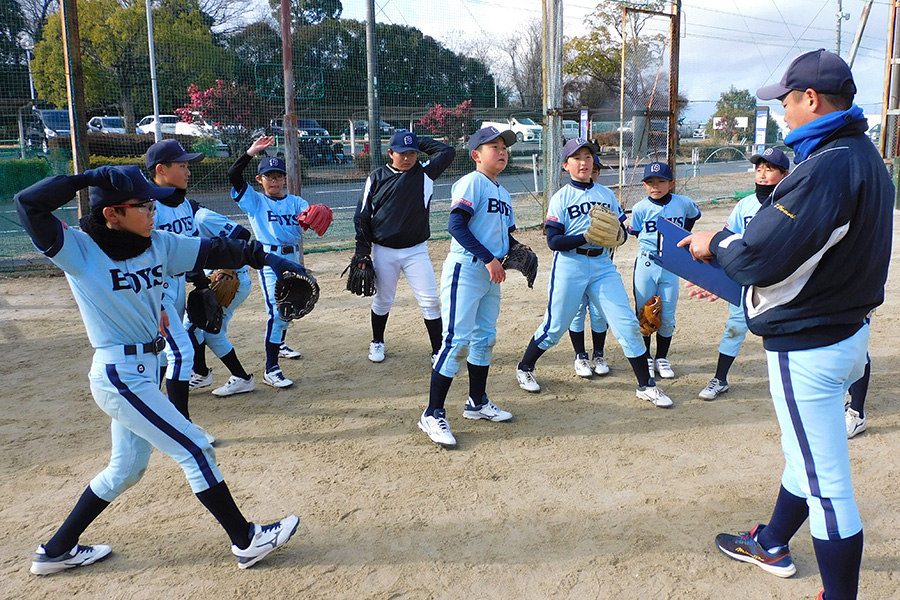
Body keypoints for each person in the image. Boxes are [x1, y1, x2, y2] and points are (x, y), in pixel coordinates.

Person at [679, 49, 893, 600]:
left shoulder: (828, 163)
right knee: (809, 452)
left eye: (787, 100)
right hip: (843, 333)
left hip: (811, 345)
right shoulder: (865, 155)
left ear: (812, 100)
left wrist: (718, 244)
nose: (783, 111)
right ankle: (772, 540)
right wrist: (734, 273)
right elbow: (805, 257)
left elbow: (757, 256)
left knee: (828, 486)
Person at [16, 165, 303, 575]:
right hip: (119, 373)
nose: (153, 211)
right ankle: (246, 540)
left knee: (125, 469)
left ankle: (56, 550)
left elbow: (217, 251)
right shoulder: (78, 250)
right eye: (142, 204)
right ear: (112, 213)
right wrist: (87, 178)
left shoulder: (158, 243)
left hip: (146, 369)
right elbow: (28, 204)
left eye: (153, 203)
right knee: (195, 450)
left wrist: (273, 259)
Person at [515, 139, 671, 408]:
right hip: (570, 265)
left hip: (602, 266)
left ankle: (646, 385)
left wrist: (619, 236)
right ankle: (525, 366)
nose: (584, 162)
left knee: (628, 326)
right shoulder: (560, 198)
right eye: (577, 158)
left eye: (588, 156)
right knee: (554, 328)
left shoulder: (605, 194)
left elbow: (622, 231)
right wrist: (585, 236)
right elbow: (554, 241)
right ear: (566, 165)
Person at [420, 126, 518, 447]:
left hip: (490, 273)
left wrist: (519, 250)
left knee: (484, 339)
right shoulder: (471, 182)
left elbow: (506, 236)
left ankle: (476, 401)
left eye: (504, 146)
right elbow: (456, 225)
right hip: (468, 268)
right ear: (476, 155)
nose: (502, 151)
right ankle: (432, 413)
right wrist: (490, 258)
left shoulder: (503, 193)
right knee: (456, 341)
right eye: (494, 146)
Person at [228, 136, 324, 388]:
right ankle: (271, 369)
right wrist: (250, 153)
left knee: (292, 306)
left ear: (284, 179)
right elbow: (234, 174)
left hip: (293, 257)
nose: (274, 180)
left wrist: (318, 215)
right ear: (260, 180)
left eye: (278, 176)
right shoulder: (255, 201)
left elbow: (310, 218)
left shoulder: (296, 202)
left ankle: (279, 343)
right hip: (269, 260)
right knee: (277, 312)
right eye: (268, 176)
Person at [353, 130, 456, 363]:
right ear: (390, 153)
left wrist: (415, 140)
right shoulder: (377, 177)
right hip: (383, 250)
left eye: (412, 153)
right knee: (383, 301)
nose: (408, 158)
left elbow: (447, 152)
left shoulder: (425, 173)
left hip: (416, 251)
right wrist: (362, 251)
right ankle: (377, 341)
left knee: (430, 301)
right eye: (402, 153)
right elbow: (363, 216)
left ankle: (437, 350)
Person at [697, 147, 790, 400]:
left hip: (777, 280)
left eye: (769, 169)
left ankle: (788, 383)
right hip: (746, 278)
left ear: (785, 174)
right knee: (735, 327)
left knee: (780, 330)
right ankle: (720, 378)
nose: (762, 174)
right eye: (759, 168)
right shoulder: (745, 205)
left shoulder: (789, 204)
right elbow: (727, 238)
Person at [145, 139, 215, 443]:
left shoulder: (184, 203)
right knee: (181, 352)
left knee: (164, 356)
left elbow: (188, 248)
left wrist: (200, 281)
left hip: (176, 285)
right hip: (156, 290)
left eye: (188, 165)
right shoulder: (149, 207)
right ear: (161, 170)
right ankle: (181, 426)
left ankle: (150, 412)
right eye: (182, 165)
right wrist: (157, 300)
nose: (188, 171)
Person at [628, 161, 701, 380]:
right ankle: (646, 358)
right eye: (650, 182)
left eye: (661, 181)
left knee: (667, 315)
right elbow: (635, 231)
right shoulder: (640, 208)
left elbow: (693, 216)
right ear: (644, 185)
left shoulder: (683, 203)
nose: (655, 186)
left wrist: (681, 236)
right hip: (647, 263)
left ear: (671, 183)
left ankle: (661, 357)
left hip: (671, 264)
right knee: (645, 313)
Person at [186, 205, 256, 397]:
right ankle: (240, 378)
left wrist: (227, 267)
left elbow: (242, 234)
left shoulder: (202, 217)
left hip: (231, 282)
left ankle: (200, 372)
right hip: (217, 279)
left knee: (190, 327)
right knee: (211, 334)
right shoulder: (184, 219)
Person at [568, 154, 611, 378]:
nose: (590, 173)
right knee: (576, 311)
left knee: (598, 312)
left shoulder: (606, 197)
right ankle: (580, 356)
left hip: (600, 261)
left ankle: (599, 354)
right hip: (575, 261)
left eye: (595, 170)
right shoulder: (568, 197)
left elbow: (618, 233)